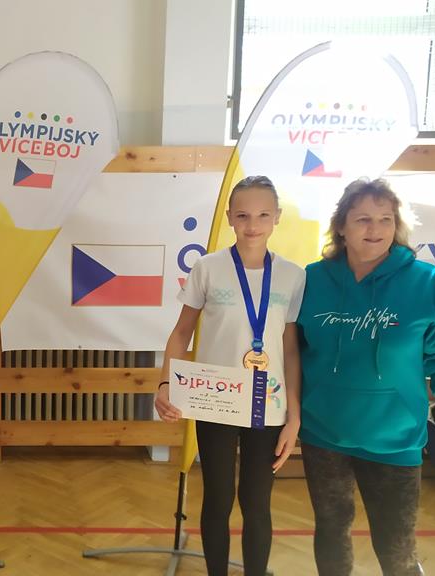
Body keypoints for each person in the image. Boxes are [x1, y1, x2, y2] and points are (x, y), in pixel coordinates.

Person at [297, 178, 435, 575]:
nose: (374, 229)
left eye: (385, 219)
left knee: (397, 553)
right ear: (341, 226)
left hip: (395, 439)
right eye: (362, 219)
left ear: (397, 225)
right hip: (323, 434)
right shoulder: (311, 279)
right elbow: (292, 352)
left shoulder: (427, 282)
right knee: (331, 538)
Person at [155, 175, 305, 576]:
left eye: (262, 215)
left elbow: (291, 349)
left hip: (268, 407)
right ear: (229, 217)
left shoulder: (293, 275)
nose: (252, 224)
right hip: (216, 401)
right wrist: (165, 383)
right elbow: (181, 333)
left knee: (257, 503)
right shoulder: (208, 268)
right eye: (242, 215)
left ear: (277, 217)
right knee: (218, 500)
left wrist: (294, 416)